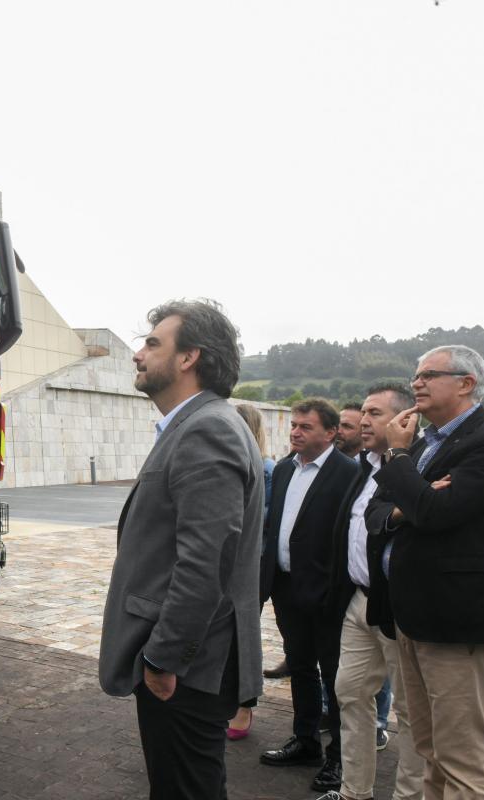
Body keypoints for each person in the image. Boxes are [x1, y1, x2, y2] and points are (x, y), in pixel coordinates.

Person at [99, 299, 264, 800]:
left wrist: (163, 658)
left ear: (190, 357)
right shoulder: (195, 424)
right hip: (191, 663)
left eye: (153, 344)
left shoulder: (207, 428)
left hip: (188, 668)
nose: (138, 354)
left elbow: (206, 562)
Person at [370, 345, 484, 799]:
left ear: (466, 383)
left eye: (429, 375)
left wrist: (398, 459)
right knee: (430, 749)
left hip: (456, 623)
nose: (416, 383)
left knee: (463, 759)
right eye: (416, 375)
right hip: (412, 617)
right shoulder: (425, 444)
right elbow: (376, 514)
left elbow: (434, 513)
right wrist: (410, 500)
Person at [320, 382, 424, 800]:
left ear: (405, 419)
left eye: (375, 413)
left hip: (399, 607)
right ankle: (354, 791)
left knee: (410, 711)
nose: (363, 421)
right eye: (363, 412)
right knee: (350, 693)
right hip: (359, 600)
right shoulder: (363, 465)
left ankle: (408, 795)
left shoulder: (419, 464)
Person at [258, 398, 358, 792]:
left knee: (334, 676)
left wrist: (333, 588)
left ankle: (339, 758)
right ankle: (305, 741)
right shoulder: (285, 468)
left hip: (326, 593)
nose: (295, 432)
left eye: (305, 426)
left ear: (330, 432)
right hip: (286, 586)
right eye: (294, 425)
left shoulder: (348, 473)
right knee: (300, 667)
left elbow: (348, 537)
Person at [227, 402, 275, 741]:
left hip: (250, 564)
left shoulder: (266, 468)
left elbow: (263, 518)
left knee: (243, 635)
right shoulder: (231, 463)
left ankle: (244, 704)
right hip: (224, 564)